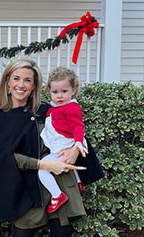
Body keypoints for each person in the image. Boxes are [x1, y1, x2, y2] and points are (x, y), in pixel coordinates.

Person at [0, 59, 86, 237]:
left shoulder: (45, 111)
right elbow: (0, 157)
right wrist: (41, 165)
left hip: (57, 186)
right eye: (16, 78)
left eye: (28, 80)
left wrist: (75, 150)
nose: (21, 85)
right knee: (22, 233)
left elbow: (75, 132)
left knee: (61, 232)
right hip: (23, 188)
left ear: (34, 85)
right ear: (8, 81)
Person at [39, 67, 88, 214]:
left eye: (64, 91)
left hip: (63, 147)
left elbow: (78, 126)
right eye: (55, 92)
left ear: (73, 90)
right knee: (69, 164)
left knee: (41, 170)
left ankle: (57, 195)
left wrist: (78, 143)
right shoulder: (55, 108)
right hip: (60, 146)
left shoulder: (72, 108)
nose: (59, 96)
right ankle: (79, 183)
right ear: (49, 91)